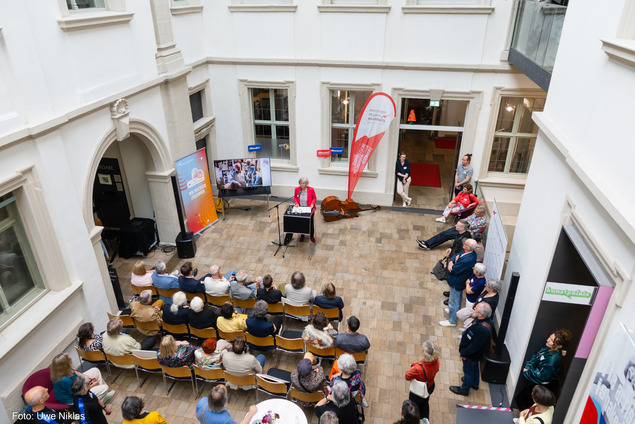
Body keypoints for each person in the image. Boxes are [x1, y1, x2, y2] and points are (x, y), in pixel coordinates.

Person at [514, 329, 572, 410]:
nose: (547, 340)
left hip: (540, 384)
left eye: (552, 340)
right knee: (520, 400)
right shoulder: (548, 348)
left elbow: (541, 376)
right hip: (534, 378)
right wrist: (528, 366)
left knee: (524, 403)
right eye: (549, 337)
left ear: (559, 346)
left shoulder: (552, 360)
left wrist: (527, 372)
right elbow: (536, 355)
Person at [449, 302, 493, 396]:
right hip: (475, 355)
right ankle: (474, 383)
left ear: (480, 314)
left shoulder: (482, 330)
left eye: (476, 308)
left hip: (471, 355)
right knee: (474, 367)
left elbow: (474, 346)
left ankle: (464, 389)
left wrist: (464, 352)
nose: (474, 308)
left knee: (468, 372)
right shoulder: (485, 320)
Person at [440, 239, 477, 327]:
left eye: (465, 243)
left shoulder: (466, 260)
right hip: (459, 280)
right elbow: (457, 254)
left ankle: (452, 321)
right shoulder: (471, 253)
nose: (463, 243)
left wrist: (453, 263)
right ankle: (455, 312)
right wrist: (452, 261)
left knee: (454, 301)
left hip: (457, 281)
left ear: (469, 247)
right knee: (457, 298)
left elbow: (454, 270)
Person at [417, 204, 486, 250]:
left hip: (466, 232)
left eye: (477, 212)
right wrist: (459, 224)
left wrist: (461, 224)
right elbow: (466, 219)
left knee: (446, 236)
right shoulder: (475, 215)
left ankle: (429, 245)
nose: (475, 212)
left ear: (481, 213)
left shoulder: (482, 221)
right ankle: (427, 243)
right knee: (444, 233)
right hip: (462, 227)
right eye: (475, 211)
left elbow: (469, 226)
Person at [405, 340, 439, 420]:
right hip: (429, 386)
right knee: (425, 403)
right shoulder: (436, 361)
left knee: (414, 407)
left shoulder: (418, 369)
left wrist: (414, 366)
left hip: (418, 391)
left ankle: (414, 420)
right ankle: (425, 419)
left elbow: (407, 376)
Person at [285, 177, 317, 244]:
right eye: (301, 183)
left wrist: (312, 203)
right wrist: (296, 203)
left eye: (304, 183)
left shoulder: (311, 189)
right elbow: (295, 197)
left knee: (310, 223)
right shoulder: (297, 189)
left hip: (309, 209)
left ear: (306, 184)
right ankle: (302, 235)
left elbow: (314, 198)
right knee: (302, 222)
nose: (302, 184)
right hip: (301, 208)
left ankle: (311, 236)